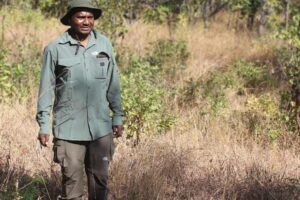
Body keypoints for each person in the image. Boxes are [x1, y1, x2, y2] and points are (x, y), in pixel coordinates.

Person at [36, 0, 124, 199]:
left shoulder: (104, 44)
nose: (86, 21)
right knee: (72, 185)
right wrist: (44, 125)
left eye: (90, 17)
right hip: (69, 129)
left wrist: (117, 116)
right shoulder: (55, 48)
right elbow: (46, 89)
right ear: (70, 20)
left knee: (100, 183)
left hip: (100, 128)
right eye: (81, 17)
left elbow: (113, 83)